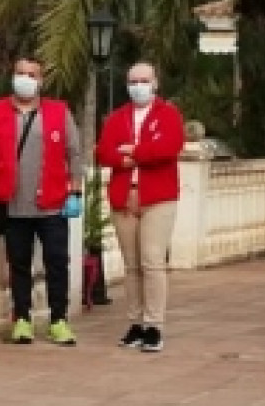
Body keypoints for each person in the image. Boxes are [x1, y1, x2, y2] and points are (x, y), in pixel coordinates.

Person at [0, 56, 83, 345]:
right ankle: (22, 320)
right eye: (20, 73)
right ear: (12, 76)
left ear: (41, 81)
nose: (25, 79)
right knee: (19, 265)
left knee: (57, 263)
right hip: (13, 204)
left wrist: (75, 192)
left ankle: (58, 320)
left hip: (52, 203)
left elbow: (74, 153)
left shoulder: (58, 112)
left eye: (32, 75)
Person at [95, 62, 185, 352]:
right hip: (124, 196)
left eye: (144, 80)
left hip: (158, 198)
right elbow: (103, 151)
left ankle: (154, 325)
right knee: (131, 265)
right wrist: (128, 158)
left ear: (155, 83)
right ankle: (135, 322)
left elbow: (169, 147)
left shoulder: (168, 115)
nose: (138, 86)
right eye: (133, 81)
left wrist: (134, 150)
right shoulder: (117, 117)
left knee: (152, 260)